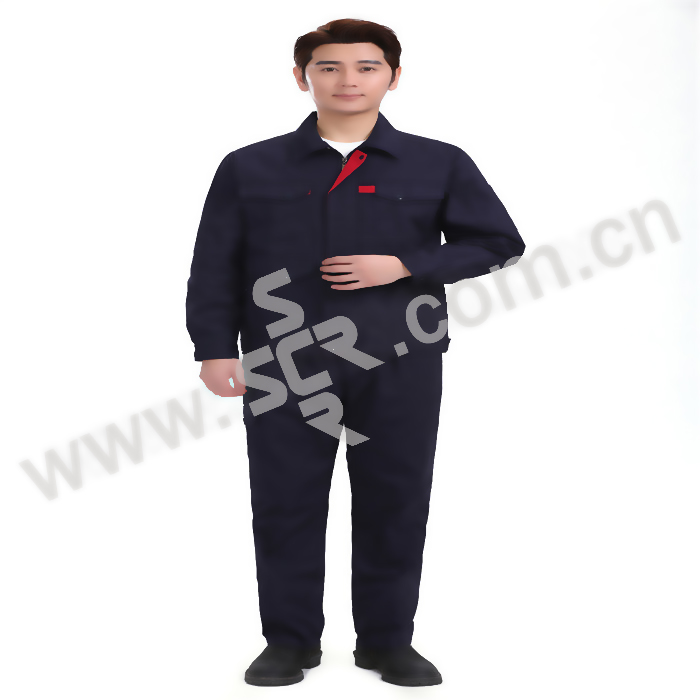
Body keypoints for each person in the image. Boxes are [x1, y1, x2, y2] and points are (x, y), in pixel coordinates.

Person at [186, 18, 525, 687]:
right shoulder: (249, 166)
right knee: (284, 499)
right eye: (329, 66)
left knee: (395, 497)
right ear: (301, 76)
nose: (348, 80)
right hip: (283, 359)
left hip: (400, 355)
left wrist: (404, 264)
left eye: (367, 67)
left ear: (393, 77)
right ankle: (289, 642)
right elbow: (215, 262)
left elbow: (498, 243)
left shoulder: (438, 162)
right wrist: (213, 348)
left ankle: (387, 641)